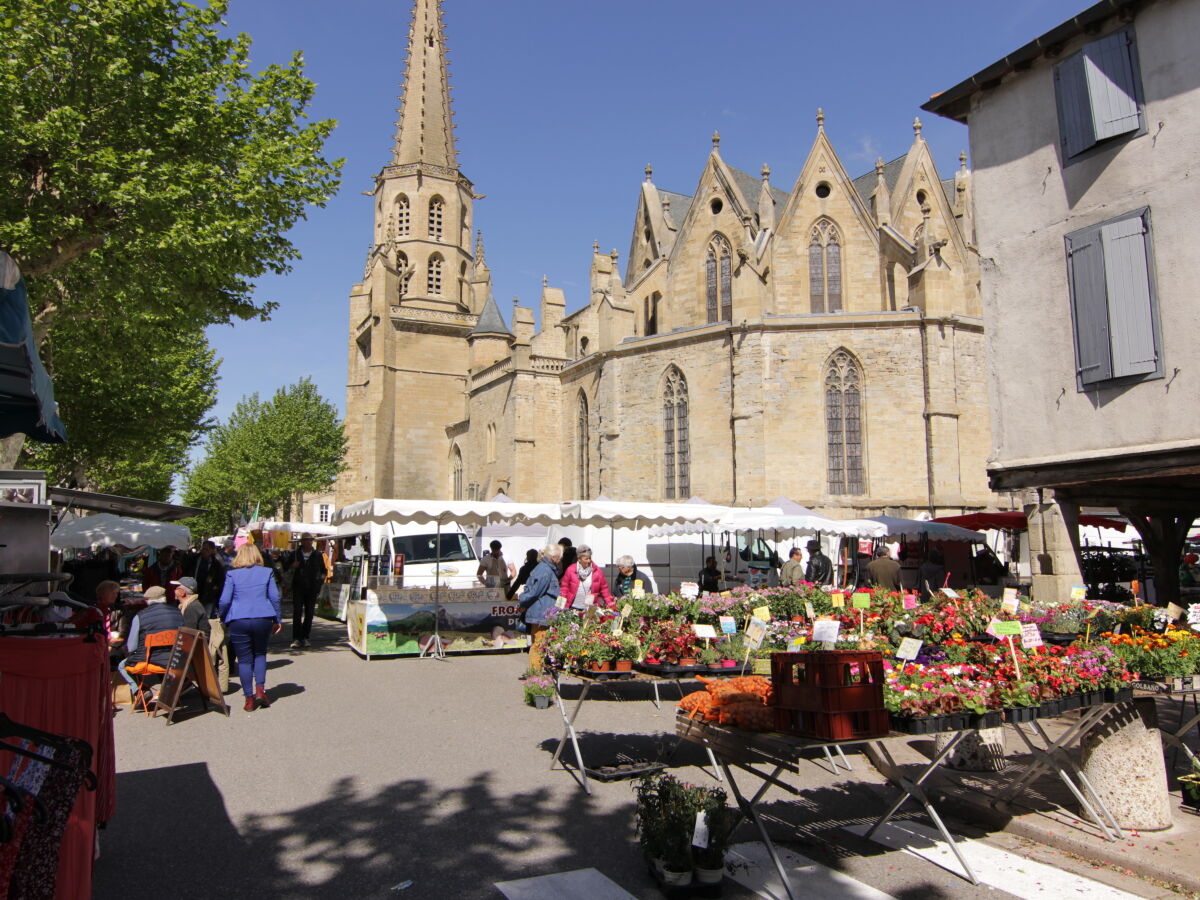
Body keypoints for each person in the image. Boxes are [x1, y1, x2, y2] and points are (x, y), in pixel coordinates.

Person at [219, 543, 282, 712]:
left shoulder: (232, 575)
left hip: (239, 618)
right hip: (263, 617)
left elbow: (225, 600)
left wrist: (223, 617)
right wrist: (277, 619)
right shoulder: (266, 572)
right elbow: (275, 597)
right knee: (260, 654)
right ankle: (260, 690)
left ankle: (249, 698)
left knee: (244, 660)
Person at [117, 586, 183, 703]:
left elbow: (132, 646)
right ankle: (167, 688)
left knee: (122, 665)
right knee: (162, 656)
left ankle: (141, 691)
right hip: (177, 660)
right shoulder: (178, 612)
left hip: (150, 662)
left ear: (148, 600)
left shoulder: (140, 616)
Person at [518, 544, 564, 672]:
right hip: (541, 613)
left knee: (538, 643)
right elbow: (535, 592)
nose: (560, 560)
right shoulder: (545, 570)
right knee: (538, 644)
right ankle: (535, 675)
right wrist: (522, 603)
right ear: (554, 557)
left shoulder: (544, 568)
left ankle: (536, 671)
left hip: (540, 612)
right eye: (559, 557)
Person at [287, 532, 326, 649]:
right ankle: (296, 638)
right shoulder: (295, 554)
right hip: (298, 587)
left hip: (312, 588)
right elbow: (285, 567)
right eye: (307, 540)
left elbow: (324, 571)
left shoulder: (317, 555)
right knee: (297, 613)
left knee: (309, 614)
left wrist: (319, 582)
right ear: (302, 542)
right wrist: (292, 566)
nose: (309, 542)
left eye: (311, 540)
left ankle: (305, 637)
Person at [560, 544, 613, 610]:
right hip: (572, 607)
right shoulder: (570, 570)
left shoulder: (597, 571)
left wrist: (610, 603)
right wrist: (560, 606)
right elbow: (564, 588)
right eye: (586, 559)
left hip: (589, 609)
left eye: (590, 558)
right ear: (579, 559)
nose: (589, 561)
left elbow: (604, 589)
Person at [194, 540, 226, 618]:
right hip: (194, 592)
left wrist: (215, 591)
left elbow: (220, 580)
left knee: (205, 617)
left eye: (207, 549)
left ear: (212, 550)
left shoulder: (216, 564)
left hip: (208, 596)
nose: (204, 551)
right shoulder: (194, 560)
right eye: (203, 549)